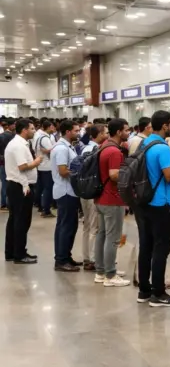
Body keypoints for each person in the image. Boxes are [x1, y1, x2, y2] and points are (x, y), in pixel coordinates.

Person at [137, 110, 170, 307]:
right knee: (161, 249)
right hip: (161, 204)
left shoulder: (145, 143)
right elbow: (169, 176)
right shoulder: (162, 148)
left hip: (144, 202)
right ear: (165, 126)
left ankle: (144, 290)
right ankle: (159, 293)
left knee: (146, 247)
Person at [94, 118, 131, 287]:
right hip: (112, 199)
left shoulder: (104, 146)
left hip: (101, 198)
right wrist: (129, 175)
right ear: (118, 132)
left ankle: (101, 271)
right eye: (126, 130)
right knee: (113, 238)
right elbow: (114, 175)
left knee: (102, 235)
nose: (128, 133)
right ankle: (110, 275)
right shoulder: (115, 152)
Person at [4, 119, 41, 264]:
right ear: (24, 130)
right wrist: (36, 162)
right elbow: (22, 166)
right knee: (21, 221)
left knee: (15, 219)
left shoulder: (19, 143)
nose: (34, 131)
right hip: (20, 186)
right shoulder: (18, 145)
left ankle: (12, 252)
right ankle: (19, 254)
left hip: (17, 185)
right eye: (32, 128)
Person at [51, 120, 81, 272]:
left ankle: (65, 256)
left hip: (69, 191)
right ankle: (61, 260)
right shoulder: (62, 149)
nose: (78, 133)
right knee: (66, 227)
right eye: (76, 131)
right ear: (68, 132)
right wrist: (80, 173)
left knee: (68, 225)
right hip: (65, 192)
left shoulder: (68, 146)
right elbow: (63, 171)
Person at [80, 124, 107, 271]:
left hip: (85, 191)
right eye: (106, 132)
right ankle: (92, 259)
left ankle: (87, 257)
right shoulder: (94, 149)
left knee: (88, 225)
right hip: (91, 191)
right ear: (100, 134)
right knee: (94, 226)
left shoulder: (87, 148)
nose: (107, 135)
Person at [34, 120, 56, 218]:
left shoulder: (41, 137)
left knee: (42, 187)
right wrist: (51, 149)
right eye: (52, 127)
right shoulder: (45, 138)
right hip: (47, 167)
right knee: (48, 188)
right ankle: (46, 210)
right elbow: (52, 151)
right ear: (49, 127)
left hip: (42, 166)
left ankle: (41, 206)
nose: (54, 128)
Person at [0, 119, 15, 211]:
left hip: (2, 162)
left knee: (4, 183)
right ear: (11, 125)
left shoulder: (1, 136)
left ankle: (3, 204)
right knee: (10, 183)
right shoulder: (13, 137)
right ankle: (9, 203)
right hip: (11, 163)